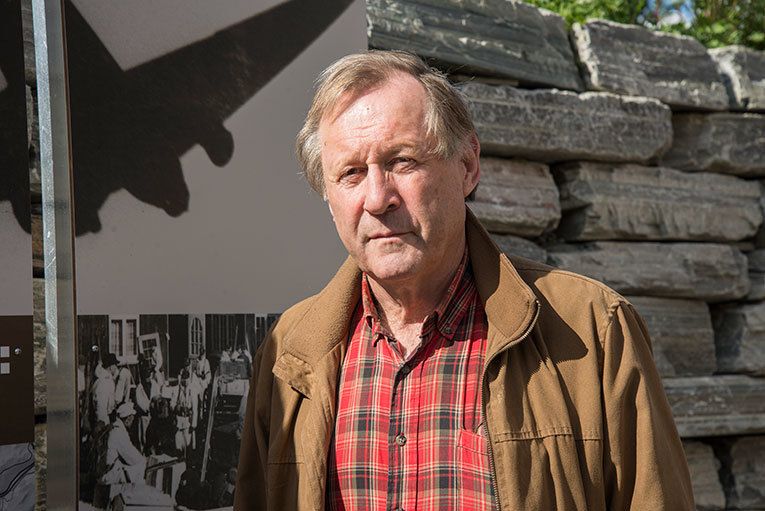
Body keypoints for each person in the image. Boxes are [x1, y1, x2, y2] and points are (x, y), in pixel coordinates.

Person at [235, 51, 694, 510]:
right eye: (351, 173)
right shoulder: (289, 350)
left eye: (402, 161)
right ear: (327, 193)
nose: (377, 198)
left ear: (468, 166)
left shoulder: (591, 329)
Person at [98, 402, 146, 485]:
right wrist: (145, 461)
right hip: (109, 475)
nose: (133, 421)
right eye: (132, 418)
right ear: (128, 419)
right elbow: (132, 458)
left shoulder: (112, 427)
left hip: (104, 470)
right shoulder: (119, 432)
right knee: (141, 469)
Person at [91, 352, 119, 427]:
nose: (116, 367)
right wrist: (102, 423)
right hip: (103, 418)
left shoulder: (107, 379)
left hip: (107, 416)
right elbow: (100, 404)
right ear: (110, 366)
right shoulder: (103, 381)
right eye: (115, 365)